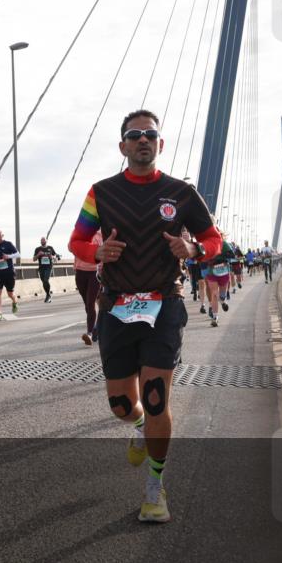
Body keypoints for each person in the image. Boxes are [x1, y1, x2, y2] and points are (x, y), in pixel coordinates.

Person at [68, 109, 221, 523]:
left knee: (156, 399)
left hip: (163, 304)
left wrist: (193, 251)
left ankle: (155, 487)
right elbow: (77, 240)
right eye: (134, 135)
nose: (142, 140)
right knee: (121, 403)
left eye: (150, 135)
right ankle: (136, 426)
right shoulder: (100, 192)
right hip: (116, 304)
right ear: (123, 146)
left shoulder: (182, 193)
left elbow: (213, 238)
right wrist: (95, 252)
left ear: (160, 144)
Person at [74, 229, 103, 345]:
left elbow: (104, 254)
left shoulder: (101, 234)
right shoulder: (80, 233)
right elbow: (71, 247)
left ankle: (89, 333)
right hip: (80, 272)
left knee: (91, 303)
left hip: (94, 273)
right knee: (87, 305)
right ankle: (95, 328)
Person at [204, 234, 235, 327]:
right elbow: (202, 256)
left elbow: (231, 254)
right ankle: (215, 317)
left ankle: (222, 301)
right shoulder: (207, 244)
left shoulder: (224, 243)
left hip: (224, 271)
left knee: (222, 295)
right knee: (214, 293)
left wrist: (218, 257)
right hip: (211, 271)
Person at [0, 229, 20, 320]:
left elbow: (18, 254)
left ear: (2, 235)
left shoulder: (8, 244)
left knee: (10, 293)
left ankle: (15, 301)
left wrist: (8, 256)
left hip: (9, 272)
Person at [33, 237, 61, 303]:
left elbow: (56, 257)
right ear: (40, 242)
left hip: (49, 267)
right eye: (41, 240)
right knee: (44, 282)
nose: (42, 241)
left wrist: (52, 257)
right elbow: (34, 259)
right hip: (41, 267)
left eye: (44, 240)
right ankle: (48, 294)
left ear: (46, 241)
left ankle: (48, 295)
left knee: (46, 280)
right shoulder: (38, 249)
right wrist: (38, 254)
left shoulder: (50, 248)